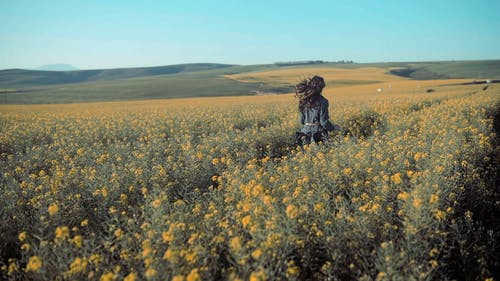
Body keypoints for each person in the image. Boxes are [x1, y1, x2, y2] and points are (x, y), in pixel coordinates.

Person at [294, 75, 339, 146]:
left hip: (304, 133)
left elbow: (301, 121)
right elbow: (324, 122)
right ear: (321, 88)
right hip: (318, 134)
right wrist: (333, 127)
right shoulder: (323, 101)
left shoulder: (303, 100)